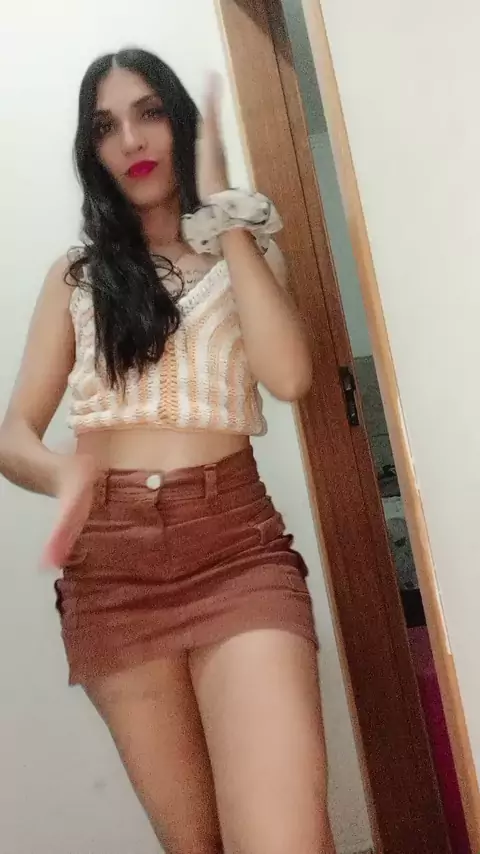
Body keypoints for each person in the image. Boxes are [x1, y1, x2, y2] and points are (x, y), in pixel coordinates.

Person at [0, 48, 335, 854]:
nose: (131, 139)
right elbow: (12, 438)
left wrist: (224, 213)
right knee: (195, 844)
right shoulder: (78, 277)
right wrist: (62, 474)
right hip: (111, 569)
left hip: (234, 549)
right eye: (105, 126)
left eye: (150, 112)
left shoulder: (247, 257)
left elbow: (290, 378)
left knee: (283, 840)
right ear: (93, 151)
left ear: (181, 124)